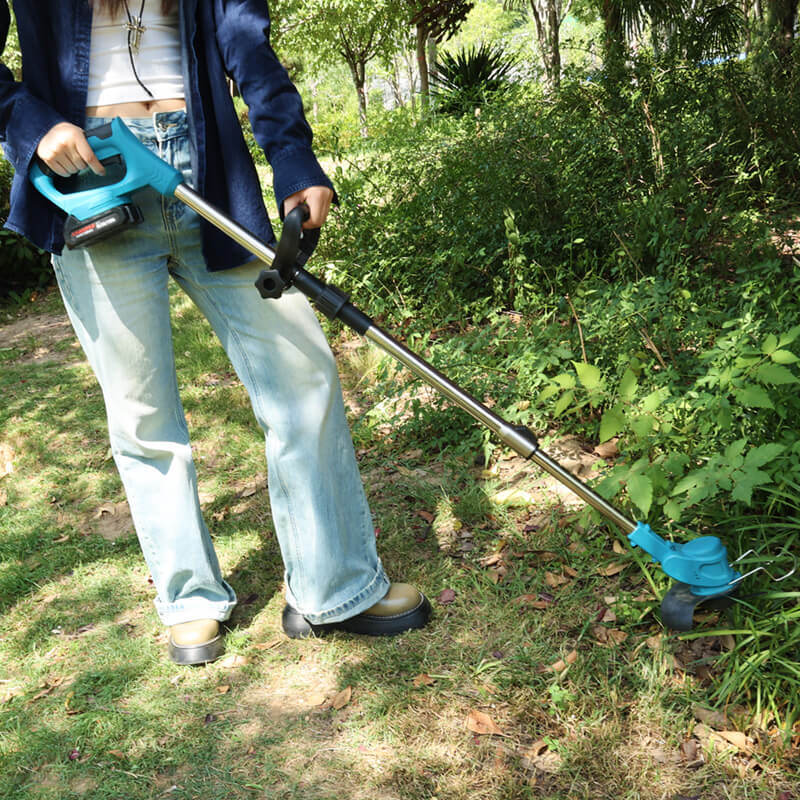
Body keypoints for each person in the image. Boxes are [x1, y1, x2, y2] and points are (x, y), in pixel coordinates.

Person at [0, 0, 431, 665]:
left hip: (206, 170)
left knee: (302, 373)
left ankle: (335, 585)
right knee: (143, 414)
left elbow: (247, 45)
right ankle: (190, 598)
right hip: (90, 178)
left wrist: (294, 158)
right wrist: (29, 122)